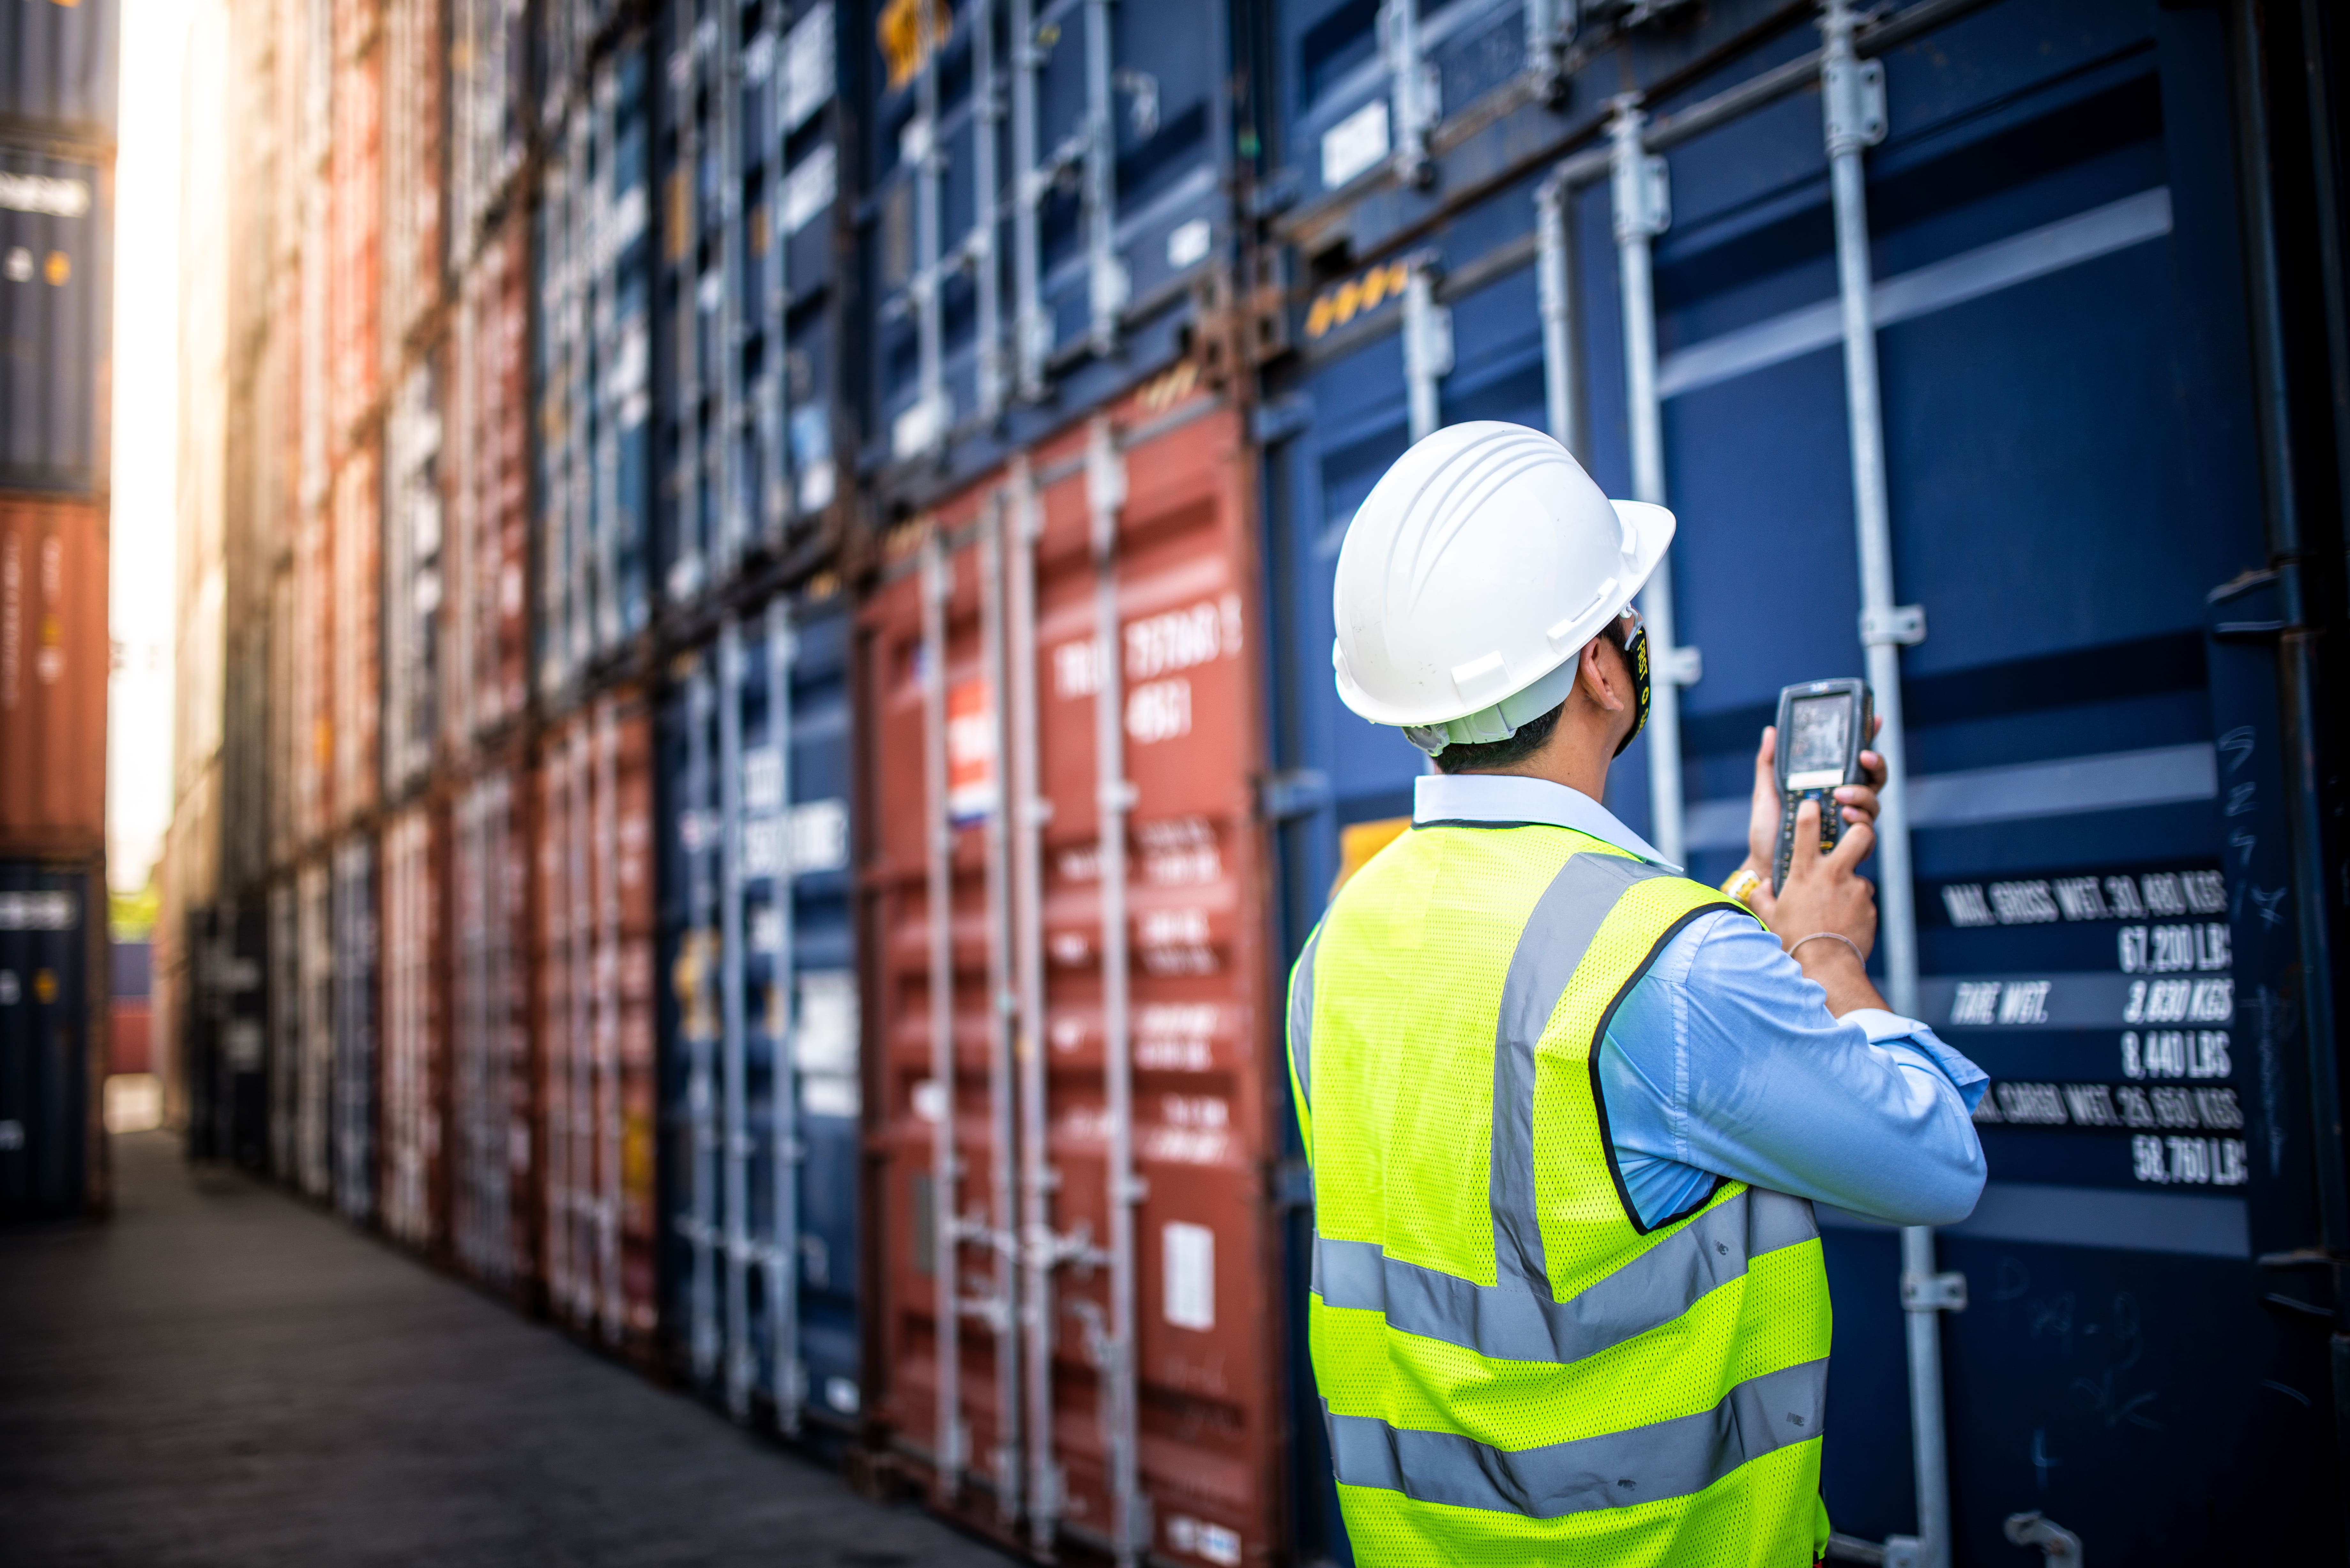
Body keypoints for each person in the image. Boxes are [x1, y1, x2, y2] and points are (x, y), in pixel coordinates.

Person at [1288, 422, 1986, 1565]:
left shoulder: (1341, 944)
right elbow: (1940, 1161)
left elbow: (1554, 1062)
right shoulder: (1672, 968)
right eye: (1624, 619)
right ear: (1603, 670)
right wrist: (1824, 955)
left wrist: (1759, 889)